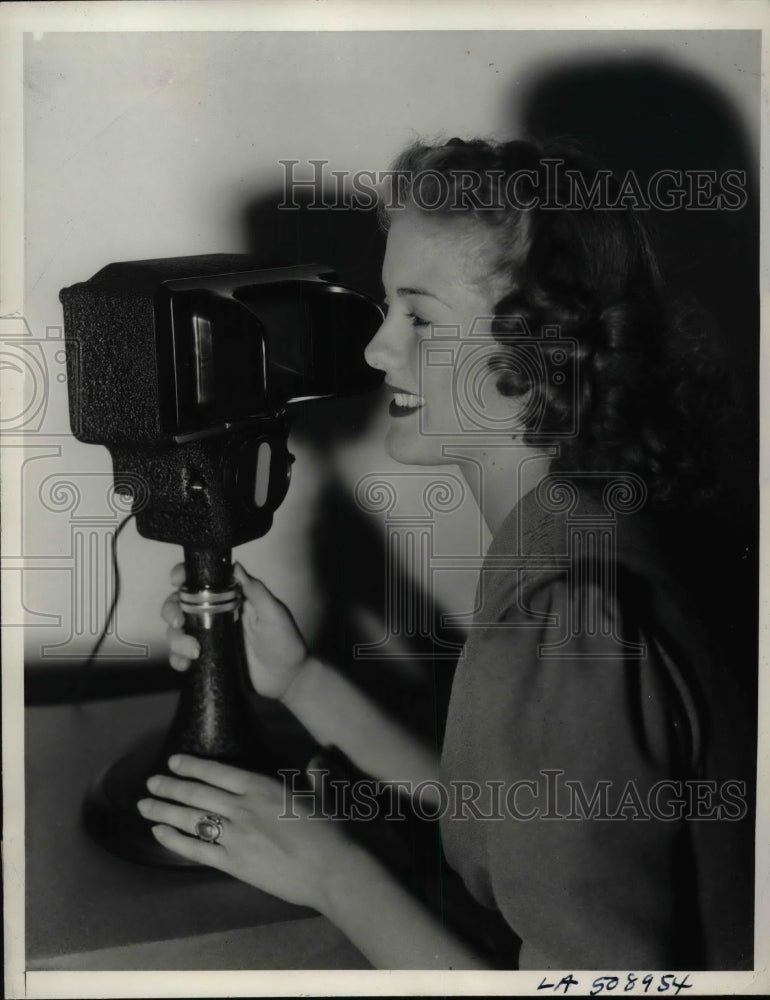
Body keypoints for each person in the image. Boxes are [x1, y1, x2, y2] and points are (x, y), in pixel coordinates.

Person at [139, 137, 754, 970]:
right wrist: (301, 683)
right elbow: (515, 814)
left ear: (539, 353)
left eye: (419, 317)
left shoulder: (560, 618)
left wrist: (329, 871)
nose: (378, 350)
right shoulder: (586, 529)